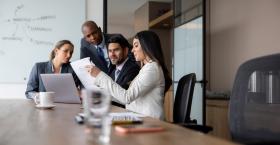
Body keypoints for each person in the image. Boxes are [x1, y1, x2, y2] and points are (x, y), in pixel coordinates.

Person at [86, 30, 172, 120]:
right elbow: (128, 99)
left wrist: (100, 75)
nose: (132, 50)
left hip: (149, 122)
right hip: (141, 119)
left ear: (147, 46)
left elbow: (127, 97)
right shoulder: (148, 68)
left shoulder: (152, 68)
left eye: (136, 45)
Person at [107, 34, 140, 108]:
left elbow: (123, 96)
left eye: (116, 50)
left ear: (126, 50)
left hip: (126, 114)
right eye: (110, 51)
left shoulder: (133, 69)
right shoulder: (112, 71)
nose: (112, 54)